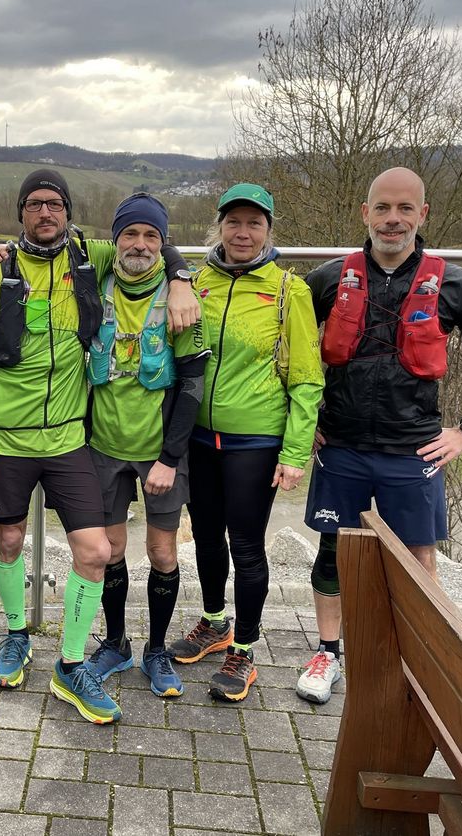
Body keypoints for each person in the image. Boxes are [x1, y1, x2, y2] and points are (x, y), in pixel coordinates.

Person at [0, 170, 200, 724]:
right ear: (21, 212)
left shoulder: (90, 258)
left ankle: (70, 664)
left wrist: (183, 278)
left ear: (69, 213)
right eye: (34, 204)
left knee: (95, 552)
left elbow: (152, 241)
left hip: (71, 436)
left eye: (55, 204)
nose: (45, 212)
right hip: (7, 434)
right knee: (9, 539)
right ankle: (17, 634)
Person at [295, 166, 462, 705]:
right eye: (382, 208)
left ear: (423, 214)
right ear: (365, 213)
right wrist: (305, 420)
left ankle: (422, 661)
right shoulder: (327, 280)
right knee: (333, 554)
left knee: (419, 560)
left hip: (412, 450)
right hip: (340, 446)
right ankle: (328, 653)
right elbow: (288, 350)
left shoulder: (458, 285)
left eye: (404, 209)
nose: (392, 219)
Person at [169, 183, 324, 703]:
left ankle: (245, 649)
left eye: (254, 223)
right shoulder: (197, 282)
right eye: (233, 222)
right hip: (198, 435)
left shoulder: (287, 291)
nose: (242, 232)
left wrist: (294, 453)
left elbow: (307, 378)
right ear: (219, 226)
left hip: (255, 440)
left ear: (268, 230)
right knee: (205, 536)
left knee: (247, 545)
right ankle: (215, 623)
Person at [82, 193, 210, 699]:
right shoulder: (95, 282)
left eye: (151, 236)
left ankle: (156, 649)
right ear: (115, 240)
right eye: (130, 234)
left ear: (163, 242)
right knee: (111, 550)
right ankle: (116, 643)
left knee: (161, 551)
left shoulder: (183, 301)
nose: (140, 244)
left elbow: (193, 385)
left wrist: (169, 458)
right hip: (103, 446)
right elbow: (52, 242)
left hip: (160, 453)